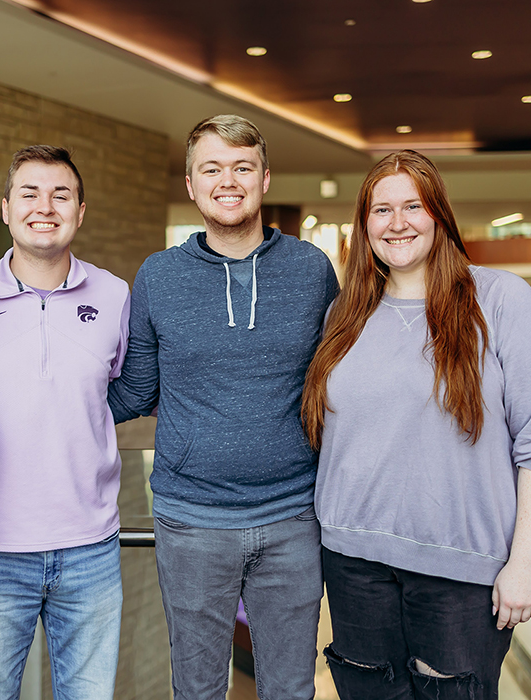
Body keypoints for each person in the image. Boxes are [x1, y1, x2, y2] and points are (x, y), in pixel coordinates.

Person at [301, 150, 531, 699]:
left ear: (440, 216)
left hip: (461, 573)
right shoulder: (344, 314)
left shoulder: (500, 300)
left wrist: (525, 563)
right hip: (353, 564)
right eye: (381, 209)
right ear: (365, 224)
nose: (396, 222)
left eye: (413, 206)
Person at [108, 114, 339, 700]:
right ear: (191, 184)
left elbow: (340, 384)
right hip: (191, 522)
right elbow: (134, 389)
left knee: (291, 689)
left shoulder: (312, 271)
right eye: (212, 168)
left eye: (242, 166)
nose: (228, 180)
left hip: (294, 515)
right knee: (197, 689)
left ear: (265, 178)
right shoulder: (158, 277)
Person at [0, 145, 130, 700]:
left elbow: (119, 392)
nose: (44, 206)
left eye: (61, 194)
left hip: (91, 550)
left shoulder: (115, 294)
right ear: (5, 209)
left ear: (81, 211)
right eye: (29, 193)